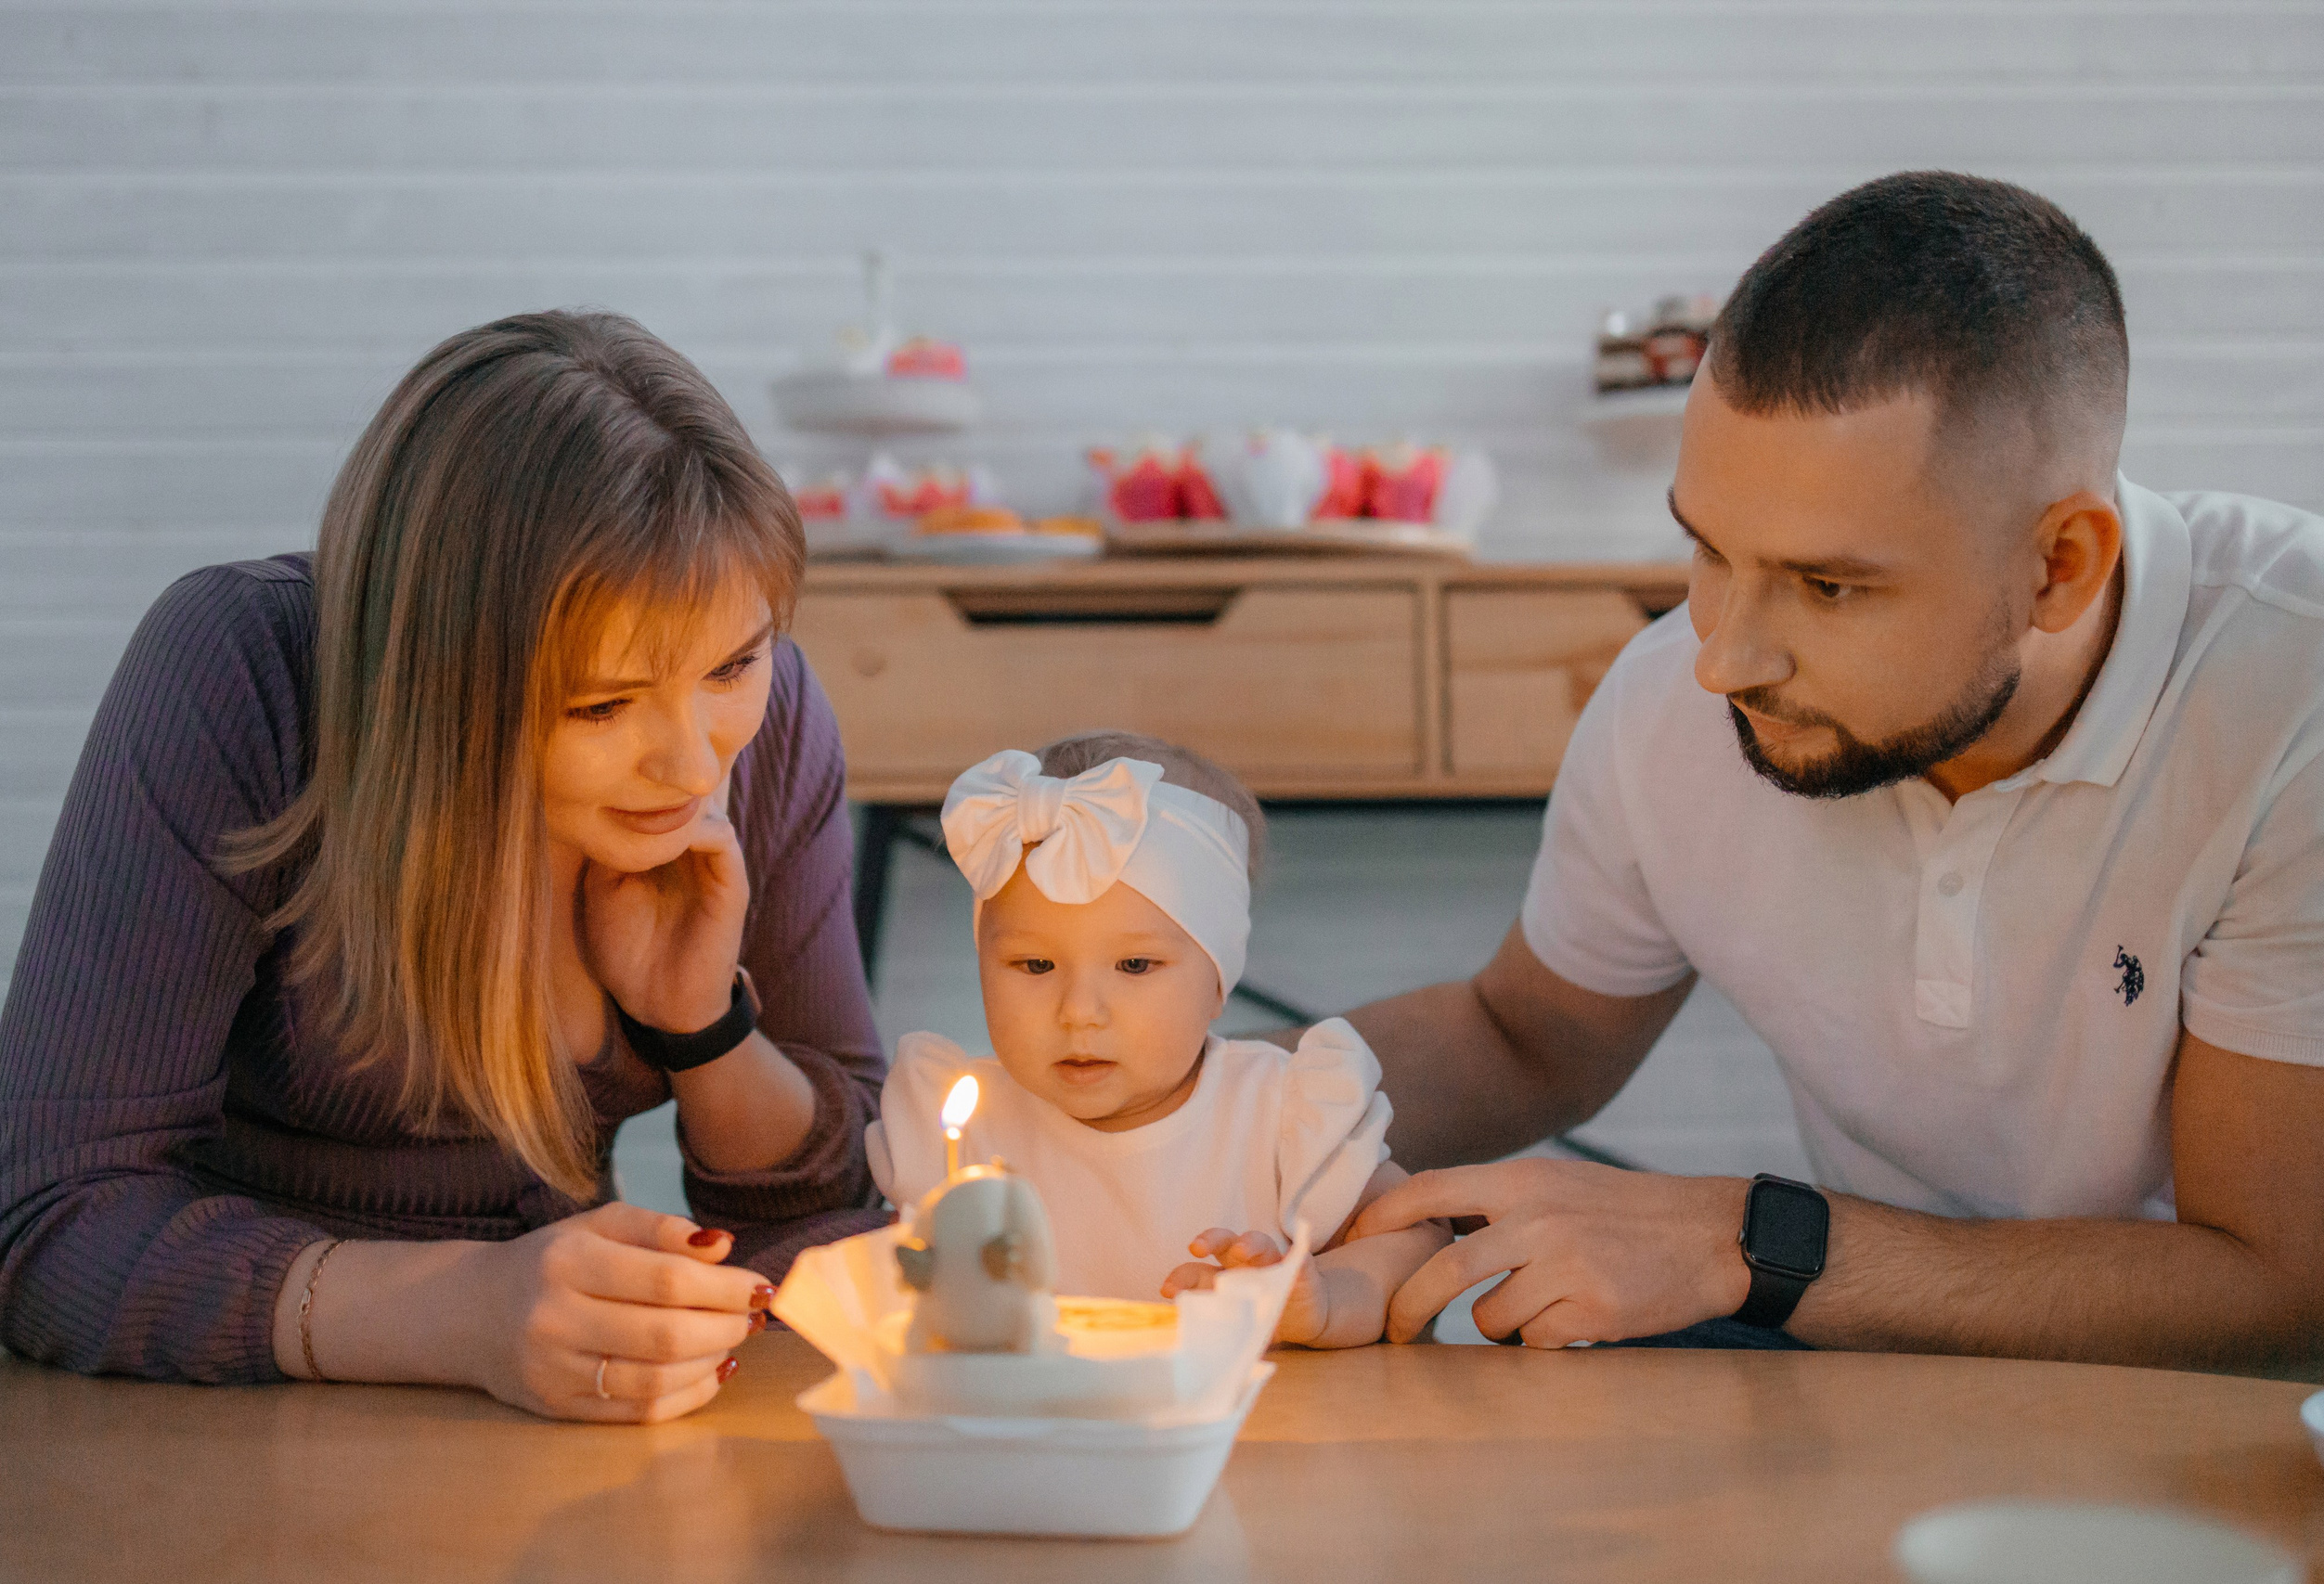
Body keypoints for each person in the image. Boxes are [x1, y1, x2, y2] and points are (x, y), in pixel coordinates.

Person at [1341, 173, 2324, 1373]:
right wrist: (1194, 1097)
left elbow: (2288, 1289)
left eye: (1830, 586)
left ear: (2060, 565)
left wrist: (1756, 1242)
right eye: (1707, 547)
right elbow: (1522, 1034)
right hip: (1869, 1376)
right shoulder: (1669, 696)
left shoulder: (2317, 693)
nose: (1723, 656)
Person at [0, 311, 886, 1421]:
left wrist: (702, 1027)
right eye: (601, 702)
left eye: (733, 664)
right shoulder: (248, 675)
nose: (692, 761)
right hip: (215, 1409)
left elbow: (839, 1217)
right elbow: (52, 1219)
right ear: (436, 681)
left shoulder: (776, 726)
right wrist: (464, 1309)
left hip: (541, 1432)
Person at [867, 733, 1450, 1348]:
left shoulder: (1278, 1115)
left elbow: (1418, 1232)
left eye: (1135, 966)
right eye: (1036, 966)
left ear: (1217, 980)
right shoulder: (957, 1130)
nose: (1080, 1012)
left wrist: (1327, 1299)